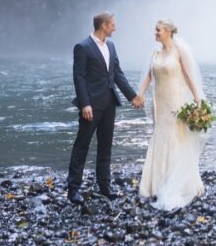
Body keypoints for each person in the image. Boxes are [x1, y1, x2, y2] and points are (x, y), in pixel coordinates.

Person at [66, 12, 141, 205]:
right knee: (81, 146)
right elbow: (79, 77)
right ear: (103, 26)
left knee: (105, 147)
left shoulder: (111, 46)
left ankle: (104, 187)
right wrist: (85, 104)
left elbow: (117, 74)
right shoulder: (82, 47)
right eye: (113, 25)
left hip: (109, 104)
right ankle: (73, 190)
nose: (115, 28)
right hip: (91, 106)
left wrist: (132, 96)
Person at [134, 19, 207, 210]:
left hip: (175, 103)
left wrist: (198, 100)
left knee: (176, 139)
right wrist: (140, 93)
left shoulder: (179, 51)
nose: (155, 33)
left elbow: (189, 76)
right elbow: (149, 76)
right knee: (159, 137)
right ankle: (157, 184)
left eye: (158, 30)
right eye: (155, 29)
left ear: (167, 31)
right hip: (160, 104)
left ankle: (180, 183)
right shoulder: (155, 53)